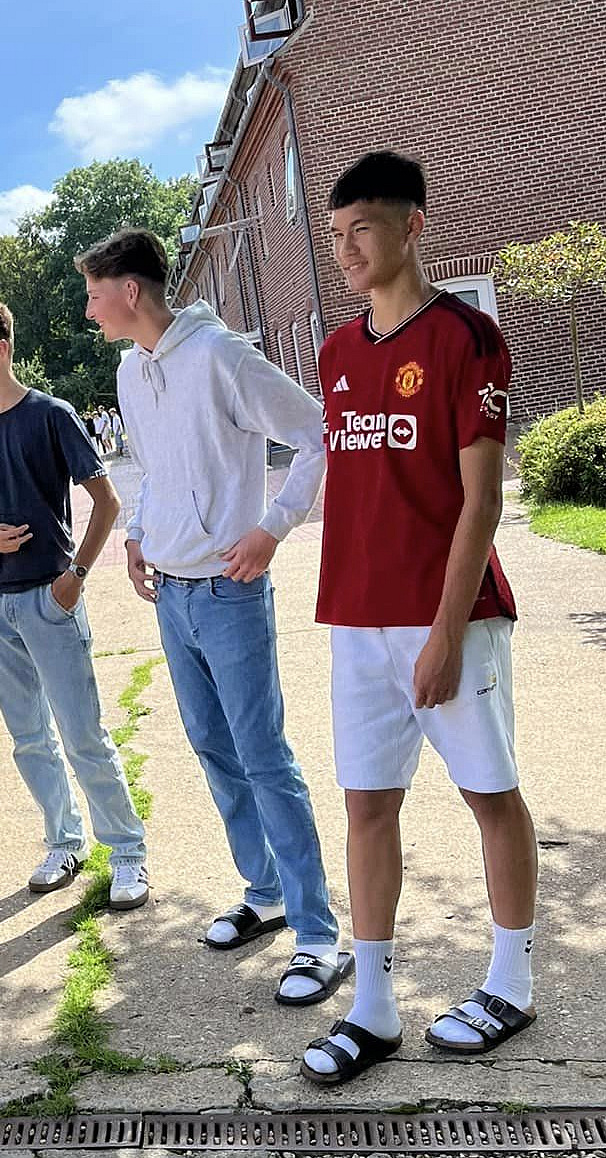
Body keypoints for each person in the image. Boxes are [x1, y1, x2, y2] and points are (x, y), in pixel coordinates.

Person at [297, 151, 536, 1085]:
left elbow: (482, 502)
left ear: (412, 226)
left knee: (488, 793)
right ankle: (373, 1007)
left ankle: (512, 984)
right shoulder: (336, 353)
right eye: (336, 235)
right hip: (356, 621)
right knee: (367, 804)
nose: (347, 250)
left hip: (453, 618)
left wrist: (443, 631)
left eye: (362, 229)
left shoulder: (467, 338)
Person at [79, 228, 346, 1006]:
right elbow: (156, 469)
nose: (90, 310)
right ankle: (264, 892)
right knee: (212, 748)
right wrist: (138, 533)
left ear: (130, 290)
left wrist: (273, 526)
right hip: (171, 590)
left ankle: (318, 933)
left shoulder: (221, 356)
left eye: (95, 294)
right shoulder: (132, 370)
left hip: (230, 590)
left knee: (263, 755)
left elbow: (317, 433)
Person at [0, 298, 148, 909]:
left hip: (49, 599)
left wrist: (75, 577)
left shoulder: (52, 415)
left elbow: (107, 502)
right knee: (29, 738)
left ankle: (127, 852)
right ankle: (64, 842)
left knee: (83, 734)